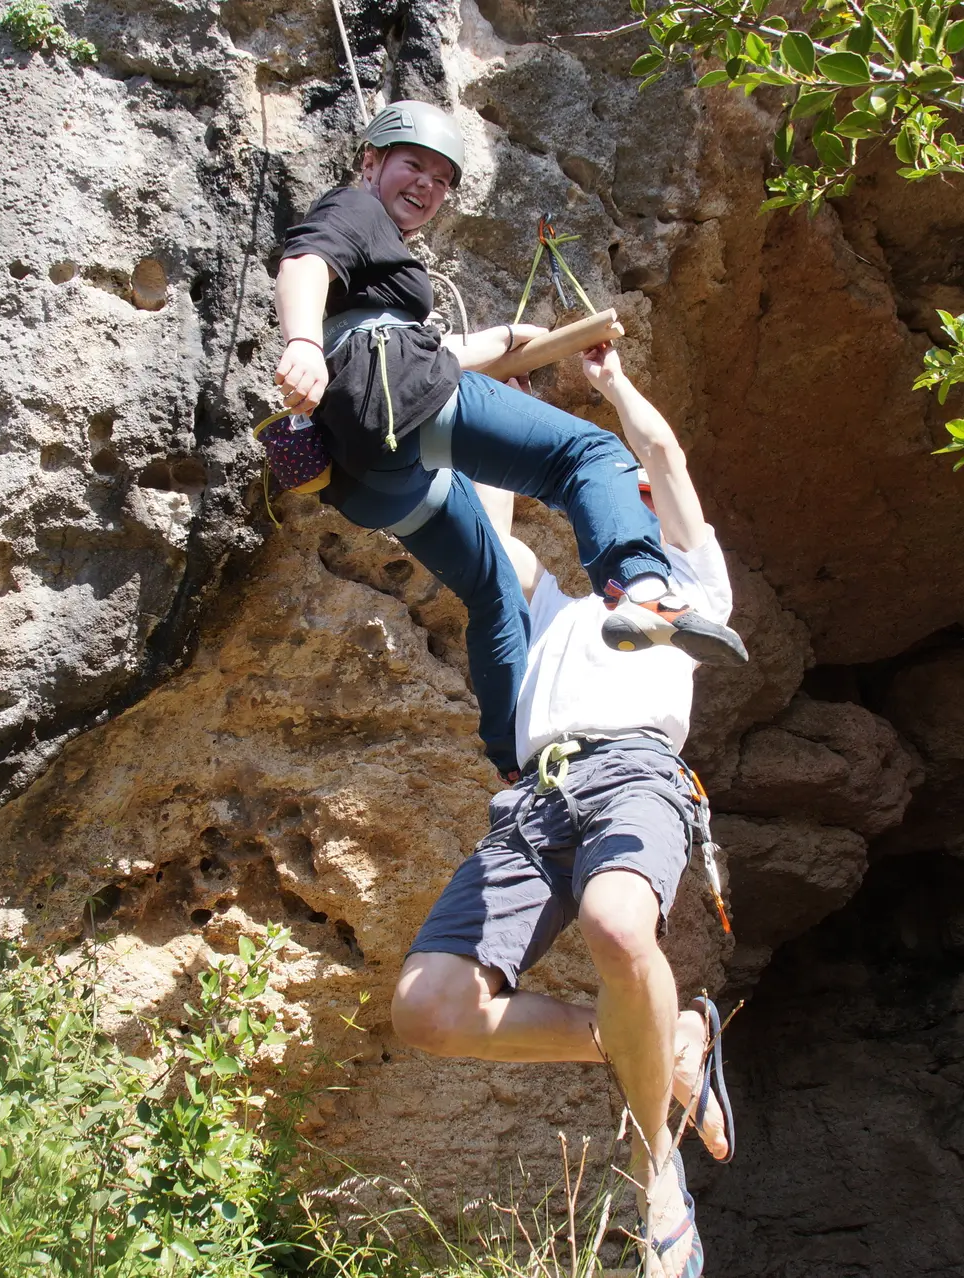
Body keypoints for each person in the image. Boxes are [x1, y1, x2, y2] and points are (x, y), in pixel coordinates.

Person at [272, 99, 747, 779]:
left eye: (442, 180)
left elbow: (409, 349)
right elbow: (304, 263)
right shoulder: (355, 207)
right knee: (588, 456)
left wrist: (496, 345)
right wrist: (300, 342)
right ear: (371, 161)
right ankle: (641, 588)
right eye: (413, 165)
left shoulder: (381, 261)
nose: (427, 187)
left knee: (495, 588)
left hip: (368, 473)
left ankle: (513, 762)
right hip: (393, 393)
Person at [390, 344, 735, 1278]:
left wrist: (613, 384)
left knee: (618, 923)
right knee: (429, 1010)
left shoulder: (687, 592)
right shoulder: (557, 614)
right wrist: (486, 405)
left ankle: (655, 1168)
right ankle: (661, 1044)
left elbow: (665, 464)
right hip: (534, 802)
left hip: (635, 772)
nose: (644, 506)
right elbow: (495, 533)